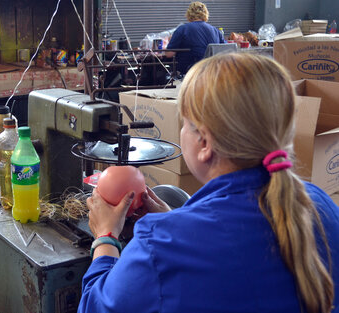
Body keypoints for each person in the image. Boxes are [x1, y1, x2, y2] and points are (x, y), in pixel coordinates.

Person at [78, 53, 339, 313]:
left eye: (185, 123)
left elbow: (94, 306)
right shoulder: (322, 205)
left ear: (204, 142)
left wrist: (106, 236)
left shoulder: (160, 245)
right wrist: (178, 218)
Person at [165, 1, 225, 75]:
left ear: (189, 14)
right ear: (206, 14)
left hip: (189, 72)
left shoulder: (183, 29)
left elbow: (169, 54)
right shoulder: (216, 30)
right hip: (212, 72)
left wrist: (170, 41)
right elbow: (226, 50)